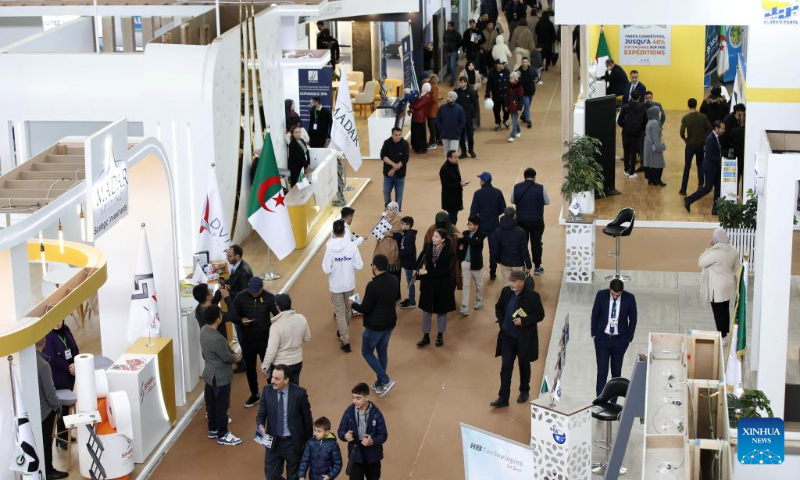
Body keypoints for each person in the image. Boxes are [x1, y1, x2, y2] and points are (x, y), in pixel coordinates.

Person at [490, 269, 545, 407]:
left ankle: (524, 390)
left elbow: (540, 315)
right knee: (506, 367)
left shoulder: (533, 297)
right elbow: (498, 307)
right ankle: (503, 398)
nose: (511, 284)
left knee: (524, 365)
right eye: (510, 281)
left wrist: (524, 321)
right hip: (507, 338)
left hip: (524, 339)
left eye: (514, 281)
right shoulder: (506, 292)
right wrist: (503, 322)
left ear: (522, 282)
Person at [349, 255, 399, 397]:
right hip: (390, 323)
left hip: (375, 326)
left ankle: (385, 380)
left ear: (375, 267)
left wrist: (353, 305)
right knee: (382, 351)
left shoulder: (373, 285)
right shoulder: (394, 279)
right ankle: (379, 384)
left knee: (367, 352)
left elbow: (366, 308)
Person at [256, 364, 314, 480]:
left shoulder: (299, 394)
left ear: (286, 380)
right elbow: (261, 414)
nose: (272, 381)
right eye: (272, 377)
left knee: (294, 477)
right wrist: (261, 426)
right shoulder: (267, 391)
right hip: (273, 442)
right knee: (271, 477)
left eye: (277, 379)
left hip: (293, 443)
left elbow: (307, 420)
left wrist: (308, 443)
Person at [228, 276, 278, 408]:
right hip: (247, 341)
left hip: (265, 341)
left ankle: (272, 393)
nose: (253, 293)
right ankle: (254, 394)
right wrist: (241, 320)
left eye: (256, 291)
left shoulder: (269, 297)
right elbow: (233, 316)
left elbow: (277, 315)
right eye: (251, 290)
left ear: (262, 288)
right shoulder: (240, 297)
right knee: (250, 369)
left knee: (268, 367)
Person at [201, 305, 243, 445]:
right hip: (220, 376)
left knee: (211, 404)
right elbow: (226, 357)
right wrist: (236, 358)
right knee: (222, 406)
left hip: (209, 374)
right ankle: (223, 434)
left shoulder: (203, 331)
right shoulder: (216, 338)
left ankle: (213, 429)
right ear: (217, 318)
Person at [591, 279, 637, 396]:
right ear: (609, 289)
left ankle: (613, 401)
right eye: (613, 294)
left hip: (620, 341)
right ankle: (600, 400)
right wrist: (594, 334)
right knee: (602, 372)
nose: (615, 297)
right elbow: (595, 314)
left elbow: (633, 319)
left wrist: (629, 337)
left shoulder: (629, 298)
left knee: (616, 373)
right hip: (602, 340)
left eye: (618, 295)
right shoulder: (601, 295)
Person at [323, 219, 364, 353]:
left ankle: (345, 339)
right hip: (349, 283)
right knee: (348, 309)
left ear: (333, 232)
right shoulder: (352, 246)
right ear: (345, 231)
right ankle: (343, 329)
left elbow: (326, 269)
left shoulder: (329, 247)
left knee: (340, 312)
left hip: (335, 285)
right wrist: (349, 266)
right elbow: (359, 265)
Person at [699, 229, 742, 345]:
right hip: (728, 284)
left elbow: (701, 262)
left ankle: (721, 336)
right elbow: (737, 267)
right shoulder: (733, 250)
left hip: (717, 287)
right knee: (724, 309)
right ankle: (724, 332)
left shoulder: (715, 252)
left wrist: (708, 248)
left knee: (718, 311)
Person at [415, 228, 457, 347]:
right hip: (429, 284)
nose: (433, 238)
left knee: (441, 311)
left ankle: (440, 335)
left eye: (437, 237)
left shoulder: (449, 251)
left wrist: (426, 272)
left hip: (443, 285)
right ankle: (426, 336)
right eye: (433, 236)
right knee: (426, 311)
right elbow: (421, 258)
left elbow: (444, 271)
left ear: (443, 240)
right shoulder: (428, 247)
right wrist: (416, 269)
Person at [338, 383, 389, 480]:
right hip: (355, 456)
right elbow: (341, 430)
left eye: (358, 398)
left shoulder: (376, 414)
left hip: (373, 457)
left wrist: (372, 441)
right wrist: (345, 436)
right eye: (353, 398)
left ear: (366, 398)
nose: (354, 401)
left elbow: (383, 434)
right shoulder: (349, 412)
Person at [43, 321, 78, 449]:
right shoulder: (49, 335)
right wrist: (68, 367)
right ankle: (62, 437)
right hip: (58, 377)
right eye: (55, 320)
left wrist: (76, 363)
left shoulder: (66, 329)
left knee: (66, 408)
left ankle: (64, 434)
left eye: (60, 320)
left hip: (70, 375)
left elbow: (75, 348)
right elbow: (51, 358)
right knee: (61, 408)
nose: (57, 323)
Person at [261, 294, 311, 384]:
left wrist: (265, 366)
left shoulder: (276, 326)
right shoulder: (301, 318)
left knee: (281, 393)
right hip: (297, 362)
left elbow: (271, 351)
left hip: (281, 365)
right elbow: (307, 338)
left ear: (278, 307)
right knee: (294, 390)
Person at [36, 337, 68, 480]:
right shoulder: (43, 364)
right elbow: (50, 392)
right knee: (46, 442)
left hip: (36, 410)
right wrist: (57, 407)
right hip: (45, 411)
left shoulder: (29, 361)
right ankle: (48, 471)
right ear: (44, 343)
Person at [511, 168, 549, 275]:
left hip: (521, 221)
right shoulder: (540, 188)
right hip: (536, 221)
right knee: (536, 243)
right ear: (534, 177)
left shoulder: (517, 187)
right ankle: (537, 267)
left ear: (524, 176)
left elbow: (512, 200)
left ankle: (523, 265)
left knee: (522, 243)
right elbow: (547, 201)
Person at [470, 171, 506, 280]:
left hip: (481, 227)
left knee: (477, 248)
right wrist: (495, 214)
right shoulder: (498, 192)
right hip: (495, 225)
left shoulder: (477, 194)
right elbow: (503, 208)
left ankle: (476, 270)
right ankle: (493, 273)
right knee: (493, 250)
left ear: (483, 181)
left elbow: (473, 211)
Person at [684, 121, 725, 215]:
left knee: (718, 187)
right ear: (716, 128)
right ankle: (689, 199)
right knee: (707, 188)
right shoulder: (710, 139)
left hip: (715, 167)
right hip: (710, 168)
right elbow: (709, 155)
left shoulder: (716, 137)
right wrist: (721, 159)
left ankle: (716, 208)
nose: (723, 130)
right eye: (722, 129)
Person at [226, 243, 252, 374]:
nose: (227, 258)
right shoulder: (237, 267)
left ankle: (247, 362)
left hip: (243, 312)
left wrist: (229, 292)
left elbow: (243, 294)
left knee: (243, 338)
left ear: (238, 256)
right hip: (240, 310)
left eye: (229, 256)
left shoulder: (242, 272)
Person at [679, 98, 712, 196]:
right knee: (700, 164)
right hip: (700, 144)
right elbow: (710, 129)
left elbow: (681, 132)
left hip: (690, 145)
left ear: (688, 105)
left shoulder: (685, 118)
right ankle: (700, 185)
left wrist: (685, 139)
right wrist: (704, 137)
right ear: (696, 105)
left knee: (687, 166)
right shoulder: (703, 117)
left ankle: (683, 189)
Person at [491, 207, 532, 285]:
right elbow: (524, 250)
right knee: (519, 287)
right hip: (518, 263)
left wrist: (499, 260)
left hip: (505, 263)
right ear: (514, 216)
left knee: (507, 286)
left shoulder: (497, 231)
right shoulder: (520, 232)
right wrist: (528, 264)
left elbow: (495, 249)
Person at [457, 215, 486, 316]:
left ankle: (479, 299)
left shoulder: (481, 235)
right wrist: (460, 246)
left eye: (470, 224)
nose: (468, 226)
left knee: (478, 284)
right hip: (465, 262)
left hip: (476, 264)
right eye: (468, 224)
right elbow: (460, 245)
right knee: (465, 285)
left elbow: (475, 243)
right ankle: (465, 306)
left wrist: (464, 238)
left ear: (476, 226)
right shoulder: (465, 233)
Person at [373, 202, 403, 299]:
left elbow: (402, 236)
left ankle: (395, 295)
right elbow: (377, 231)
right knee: (382, 274)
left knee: (393, 276)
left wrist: (391, 234)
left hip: (392, 251)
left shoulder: (399, 221)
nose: (389, 212)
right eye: (387, 209)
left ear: (395, 211)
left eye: (391, 210)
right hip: (381, 248)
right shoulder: (384, 219)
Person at [617, 90, 648, 177]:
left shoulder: (625, 107)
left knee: (626, 151)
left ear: (631, 97)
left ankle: (626, 169)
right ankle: (632, 172)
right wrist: (640, 129)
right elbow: (646, 122)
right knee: (634, 152)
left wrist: (626, 126)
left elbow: (619, 121)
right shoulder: (643, 108)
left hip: (626, 133)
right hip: (637, 134)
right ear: (639, 97)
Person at [380, 128, 409, 210]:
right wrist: (394, 165)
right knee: (386, 192)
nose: (398, 137)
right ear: (392, 134)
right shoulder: (387, 143)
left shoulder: (404, 144)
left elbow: (405, 159)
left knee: (399, 194)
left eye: (400, 135)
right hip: (387, 174)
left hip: (400, 175)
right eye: (396, 135)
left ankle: (397, 210)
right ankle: (387, 209)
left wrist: (393, 169)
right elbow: (383, 156)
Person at [394, 216, 418, 309]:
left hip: (410, 264)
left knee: (410, 283)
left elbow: (409, 250)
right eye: (401, 223)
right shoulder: (406, 234)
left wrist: (399, 255)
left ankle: (412, 302)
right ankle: (411, 298)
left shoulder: (409, 236)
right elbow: (399, 237)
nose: (401, 225)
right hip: (407, 263)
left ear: (408, 225)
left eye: (403, 224)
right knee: (409, 282)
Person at [435, 91, 466, 159]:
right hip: (445, 134)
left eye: (450, 97)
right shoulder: (442, 108)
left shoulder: (459, 109)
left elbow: (462, 121)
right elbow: (437, 120)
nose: (448, 98)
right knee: (446, 152)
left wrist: (458, 130)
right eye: (448, 96)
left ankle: (453, 166)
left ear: (454, 98)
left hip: (455, 135)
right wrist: (441, 129)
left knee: (453, 153)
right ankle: (448, 165)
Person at [439, 149, 467, 225]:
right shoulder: (444, 170)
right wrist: (459, 184)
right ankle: (450, 232)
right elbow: (445, 185)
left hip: (456, 196)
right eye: (455, 157)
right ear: (449, 158)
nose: (457, 159)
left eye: (457, 157)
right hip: (449, 198)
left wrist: (460, 183)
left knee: (453, 216)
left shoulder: (454, 164)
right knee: (453, 218)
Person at [455, 77, 479, 158]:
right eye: (459, 82)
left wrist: (473, 114)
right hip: (459, 118)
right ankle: (463, 152)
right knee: (461, 135)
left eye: (462, 82)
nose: (460, 84)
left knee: (470, 135)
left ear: (466, 83)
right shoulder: (456, 92)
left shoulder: (471, 92)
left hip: (468, 117)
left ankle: (471, 150)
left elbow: (475, 104)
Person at [643, 107, 667, 187]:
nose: (660, 113)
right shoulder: (655, 123)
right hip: (654, 147)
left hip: (648, 146)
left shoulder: (650, 121)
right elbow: (655, 137)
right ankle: (657, 180)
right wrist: (660, 147)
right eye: (659, 112)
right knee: (658, 164)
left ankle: (651, 180)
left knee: (651, 164)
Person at [486, 60, 511, 131]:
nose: (503, 65)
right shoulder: (492, 73)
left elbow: (510, 82)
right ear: (496, 65)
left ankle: (505, 120)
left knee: (506, 109)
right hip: (496, 95)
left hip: (506, 95)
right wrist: (487, 93)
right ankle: (498, 123)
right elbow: (489, 84)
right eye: (501, 64)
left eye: (503, 64)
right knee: (496, 110)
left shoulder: (507, 71)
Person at [409, 83, 433, 154]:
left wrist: (411, 105)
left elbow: (417, 106)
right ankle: (419, 147)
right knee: (419, 132)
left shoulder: (426, 96)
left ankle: (419, 148)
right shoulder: (425, 95)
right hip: (419, 116)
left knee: (418, 133)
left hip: (419, 117)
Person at [516, 57, 537, 128]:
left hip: (531, 91)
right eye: (523, 62)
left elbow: (536, 77)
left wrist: (536, 80)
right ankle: (528, 120)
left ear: (528, 63)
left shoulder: (532, 70)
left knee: (528, 105)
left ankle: (523, 116)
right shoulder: (518, 71)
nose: (524, 63)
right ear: (521, 63)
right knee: (527, 105)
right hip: (523, 92)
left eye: (526, 62)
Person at [506, 72, 524, 142]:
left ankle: (512, 135)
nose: (510, 79)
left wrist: (519, 108)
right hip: (511, 106)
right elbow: (507, 96)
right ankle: (519, 130)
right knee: (515, 120)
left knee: (514, 121)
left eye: (511, 78)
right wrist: (506, 105)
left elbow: (521, 99)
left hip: (516, 107)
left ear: (515, 79)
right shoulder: (510, 86)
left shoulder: (519, 88)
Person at [443, 22, 461, 86]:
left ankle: (452, 81)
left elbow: (460, 42)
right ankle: (452, 77)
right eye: (447, 26)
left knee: (452, 66)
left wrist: (455, 47)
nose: (448, 27)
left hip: (453, 52)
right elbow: (444, 40)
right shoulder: (446, 32)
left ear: (452, 27)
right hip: (447, 51)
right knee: (449, 66)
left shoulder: (457, 34)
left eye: (449, 26)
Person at [425, 75, 441, 149]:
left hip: (432, 110)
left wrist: (426, 99)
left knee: (432, 126)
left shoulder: (433, 87)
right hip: (432, 110)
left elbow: (434, 99)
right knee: (432, 126)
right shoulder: (433, 86)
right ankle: (434, 140)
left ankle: (433, 142)